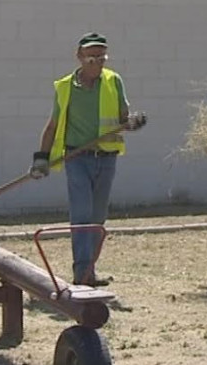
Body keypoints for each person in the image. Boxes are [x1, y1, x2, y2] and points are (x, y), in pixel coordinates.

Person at [30, 32, 145, 287]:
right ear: (79, 57)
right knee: (81, 214)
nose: (96, 60)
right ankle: (82, 273)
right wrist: (41, 158)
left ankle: (89, 270)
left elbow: (123, 118)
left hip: (106, 157)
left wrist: (133, 122)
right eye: (91, 55)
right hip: (77, 157)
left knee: (97, 216)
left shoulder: (114, 81)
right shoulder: (64, 87)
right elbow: (53, 125)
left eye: (101, 56)